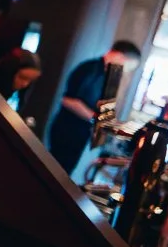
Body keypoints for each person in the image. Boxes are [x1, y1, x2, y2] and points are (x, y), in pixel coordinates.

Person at [47, 40, 141, 174]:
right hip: (66, 131)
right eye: (127, 67)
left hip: (79, 134)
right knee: (54, 172)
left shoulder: (105, 75)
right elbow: (68, 100)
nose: (124, 71)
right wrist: (96, 119)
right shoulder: (90, 69)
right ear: (120, 57)